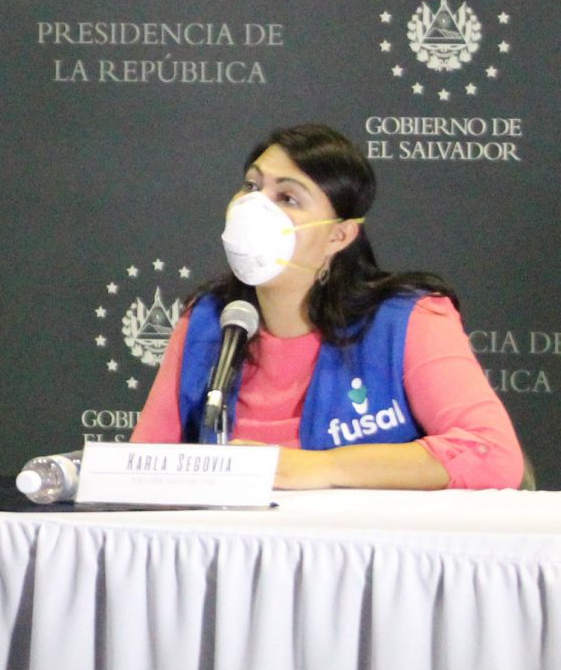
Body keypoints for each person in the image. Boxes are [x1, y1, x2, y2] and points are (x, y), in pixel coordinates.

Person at [132, 123, 525, 489]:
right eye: (251, 186)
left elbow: (492, 454)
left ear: (339, 235)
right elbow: (138, 470)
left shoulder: (409, 319)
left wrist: (319, 468)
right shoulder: (208, 320)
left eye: (287, 198)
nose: (254, 208)